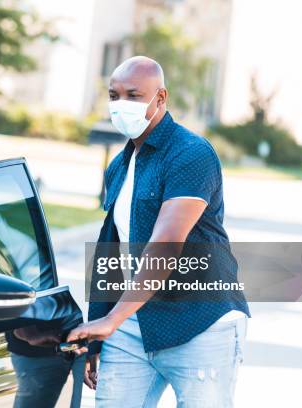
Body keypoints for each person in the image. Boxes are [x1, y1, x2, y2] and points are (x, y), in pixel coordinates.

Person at [67, 56, 250, 407]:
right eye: (114, 95)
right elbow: (112, 253)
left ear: (161, 98)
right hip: (133, 326)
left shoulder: (191, 154)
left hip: (201, 323)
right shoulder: (119, 166)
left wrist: (111, 319)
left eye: (134, 95)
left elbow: (166, 243)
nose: (121, 105)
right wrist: (99, 330)